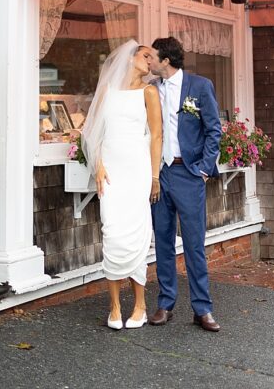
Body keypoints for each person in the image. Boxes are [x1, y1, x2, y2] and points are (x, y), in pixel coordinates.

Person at [82, 40, 162, 329]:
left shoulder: (149, 92)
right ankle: (114, 306)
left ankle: (139, 304)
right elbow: (94, 132)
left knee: (137, 236)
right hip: (112, 172)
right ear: (130, 58)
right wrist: (99, 166)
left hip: (137, 171)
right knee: (113, 233)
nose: (150, 62)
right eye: (145, 56)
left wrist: (154, 176)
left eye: (152, 58)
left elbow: (156, 136)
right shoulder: (107, 92)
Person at [147, 36, 222, 332]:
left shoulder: (199, 86)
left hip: (188, 174)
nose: (150, 61)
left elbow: (214, 130)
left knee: (193, 244)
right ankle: (165, 303)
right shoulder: (152, 90)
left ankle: (202, 309)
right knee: (162, 240)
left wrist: (203, 170)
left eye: (153, 57)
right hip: (159, 175)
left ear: (166, 60)